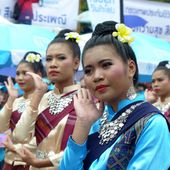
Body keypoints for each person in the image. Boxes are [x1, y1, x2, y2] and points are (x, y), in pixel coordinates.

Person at [58, 21, 170, 170]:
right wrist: (82, 123)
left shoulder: (151, 123)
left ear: (130, 68)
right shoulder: (95, 120)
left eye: (106, 65)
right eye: (89, 71)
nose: (96, 76)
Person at [12, 29, 81, 170]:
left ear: (76, 63)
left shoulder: (87, 99)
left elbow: (84, 147)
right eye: (49, 59)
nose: (53, 64)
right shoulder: (42, 97)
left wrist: (42, 162)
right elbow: (20, 137)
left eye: (61, 58)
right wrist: (37, 94)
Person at [0, 51, 46, 170]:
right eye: (18, 73)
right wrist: (11, 99)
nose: (19, 78)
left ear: (38, 75)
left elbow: (41, 138)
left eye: (25, 73)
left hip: (29, 163)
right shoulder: (16, 100)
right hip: (8, 161)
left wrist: (14, 146)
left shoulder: (44, 101)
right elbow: (1, 129)